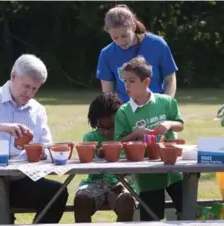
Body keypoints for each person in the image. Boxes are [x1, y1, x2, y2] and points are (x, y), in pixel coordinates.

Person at [0, 54, 69, 225]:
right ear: (13, 76)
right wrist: (2, 127)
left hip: (20, 181)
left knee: (57, 192)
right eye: (26, 86)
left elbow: (46, 147)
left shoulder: (37, 110)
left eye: (34, 89)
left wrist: (39, 151)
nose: (29, 93)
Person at [114, 56, 184, 221]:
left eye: (132, 81)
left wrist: (168, 124)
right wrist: (136, 133)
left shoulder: (166, 102)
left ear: (146, 82)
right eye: (125, 81)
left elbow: (180, 124)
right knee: (151, 219)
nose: (127, 85)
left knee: (187, 210)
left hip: (174, 169)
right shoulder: (124, 111)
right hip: (147, 174)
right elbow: (119, 143)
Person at [74, 93, 136, 222]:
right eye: (101, 127)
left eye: (111, 127)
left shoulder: (129, 138)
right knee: (81, 199)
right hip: (96, 183)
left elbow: (136, 170)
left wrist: (126, 182)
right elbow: (86, 166)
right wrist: (97, 156)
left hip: (123, 182)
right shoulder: (90, 138)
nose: (107, 132)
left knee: (126, 201)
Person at [96, 4, 178, 103]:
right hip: (125, 112)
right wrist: (121, 114)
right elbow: (108, 94)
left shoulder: (158, 44)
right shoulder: (106, 54)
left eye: (124, 35)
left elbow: (170, 80)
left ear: (133, 27)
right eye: (115, 38)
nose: (121, 42)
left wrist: (166, 102)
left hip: (157, 110)